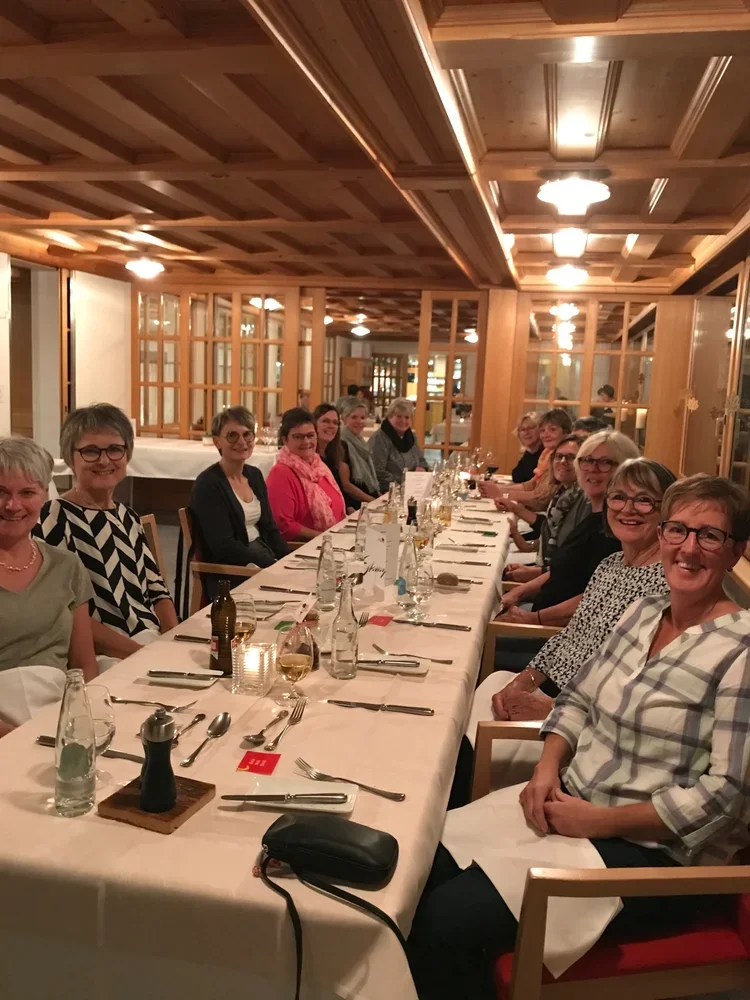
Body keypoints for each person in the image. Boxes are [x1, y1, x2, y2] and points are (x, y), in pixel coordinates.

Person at [407, 474, 750, 1000]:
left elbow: (726, 794)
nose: (687, 548)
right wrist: (545, 773)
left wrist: (603, 820)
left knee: (443, 923)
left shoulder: (740, 650)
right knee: (414, 869)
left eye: (709, 536)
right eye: (677, 530)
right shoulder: (642, 614)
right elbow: (577, 700)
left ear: (736, 552)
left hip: (650, 857)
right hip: (572, 810)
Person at [466, 459, 675, 791]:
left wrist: (551, 708)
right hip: (555, 697)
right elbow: (569, 639)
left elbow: (634, 690)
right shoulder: (610, 565)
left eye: (644, 499)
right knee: (466, 709)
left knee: (461, 746)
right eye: (618, 497)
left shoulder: (666, 584)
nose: (627, 509)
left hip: (582, 729)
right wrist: (521, 683)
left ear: (668, 511)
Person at [34, 404, 178, 660]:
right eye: (90, 451)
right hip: (99, 655)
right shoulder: (54, 516)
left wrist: (172, 642)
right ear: (70, 457)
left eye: (114, 449)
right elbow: (64, 613)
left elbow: (157, 591)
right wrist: (142, 656)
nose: (104, 460)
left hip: (149, 643)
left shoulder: (129, 517)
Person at [0, 438, 98, 736]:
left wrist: (80, 722)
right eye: (1, 492)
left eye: (27, 492)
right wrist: (16, 737)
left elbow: (84, 666)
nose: (12, 505)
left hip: (57, 713)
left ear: (44, 495)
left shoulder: (66, 566)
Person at [499, 429, 640, 628]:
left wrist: (531, 618)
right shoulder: (594, 516)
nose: (593, 468)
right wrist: (518, 593)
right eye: (587, 460)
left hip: (551, 632)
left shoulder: (617, 529)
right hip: (539, 615)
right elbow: (563, 569)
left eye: (605, 462)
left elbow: (597, 597)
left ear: (626, 469)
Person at [189, 406, 287, 596]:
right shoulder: (208, 484)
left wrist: (287, 560)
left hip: (262, 558)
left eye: (247, 435)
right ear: (217, 441)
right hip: (232, 573)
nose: (241, 442)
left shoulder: (255, 475)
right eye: (232, 435)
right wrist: (271, 567)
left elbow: (269, 527)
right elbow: (224, 547)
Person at [503, 434, 581, 583]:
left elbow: (573, 567)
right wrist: (517, 536)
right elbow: (541, 543)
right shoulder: (561, 494)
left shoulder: (581, 501)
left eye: (571, 457)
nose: (563, 461)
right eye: (559, 456)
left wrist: (534, 573)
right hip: (544, 571)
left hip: (553, 583)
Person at [265, 407, 346, 541]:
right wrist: (326, 538)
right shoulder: (281, 473)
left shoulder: (319, 466)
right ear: (285, 440)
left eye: (310, 435)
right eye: (298, 437)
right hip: (303, 550)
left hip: (333, 541)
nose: (306, 442)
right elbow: (284, 526)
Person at [479, 407, 571, 505]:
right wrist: (497, 489)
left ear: (566, 432)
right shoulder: (547, 454)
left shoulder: (562, 460)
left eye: (552, 430)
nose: (545, 435)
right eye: (542, 430)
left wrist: (501, 493)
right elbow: (530, 484)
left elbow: (541, 498)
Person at [368, 397, 428, 493]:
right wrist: (402, 485)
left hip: (412, 490)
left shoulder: (411, 437)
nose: (403, 421)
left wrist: (422, 469)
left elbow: (421, 460)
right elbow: (378, 471)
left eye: (407, 417)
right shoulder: (380, 438)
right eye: (399, 416)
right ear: (390, 416)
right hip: (387, 493)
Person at [338, 397, 381, 508]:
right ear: (343, 419)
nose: (359, 421)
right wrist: (373, 501)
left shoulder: (360, 442)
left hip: (368, 500)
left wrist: (381, 498)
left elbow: (369, 482)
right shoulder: (341, 443)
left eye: (362, 417)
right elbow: (346, 485)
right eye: (354, 417)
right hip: (356, 504)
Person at [312, 403, 347, 502]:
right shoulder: (310, 458)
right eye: (325, 421)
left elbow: (339, 492)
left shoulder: (334, 454)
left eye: (335, 423)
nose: (331, 426)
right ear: (314, 424)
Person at [510, 412, 543, 484]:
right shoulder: (529, 453)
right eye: (522, 430)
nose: (526, 433)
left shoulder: (545, 453)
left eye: (530, 428)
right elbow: (516, 476)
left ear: (541, 430)